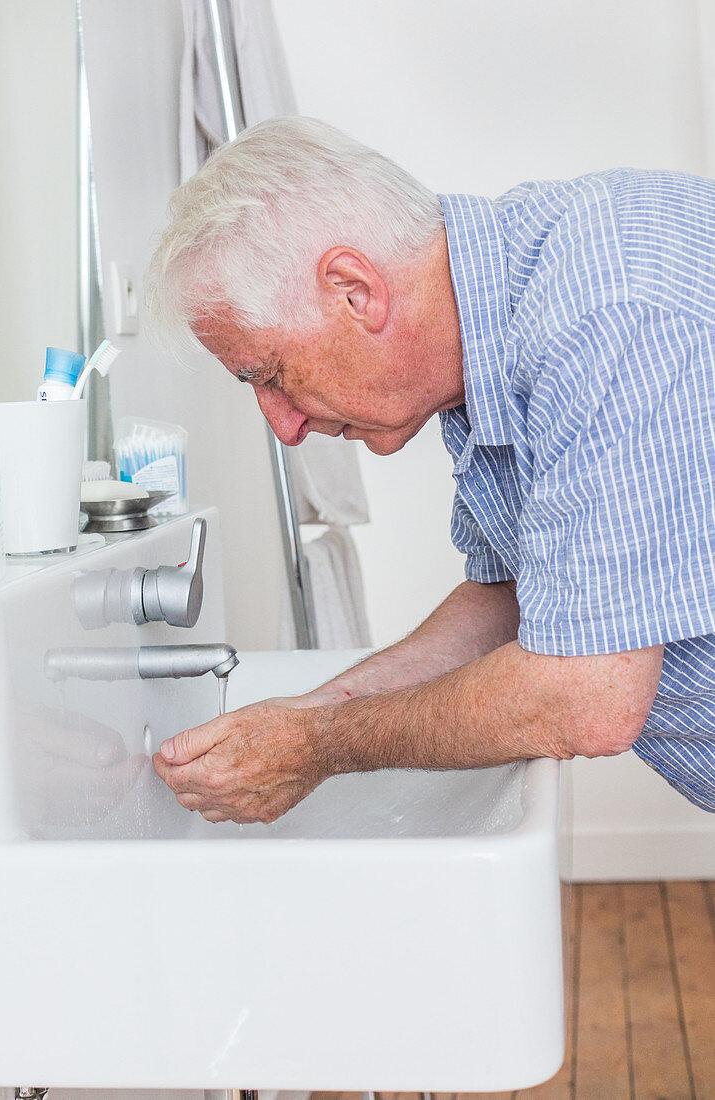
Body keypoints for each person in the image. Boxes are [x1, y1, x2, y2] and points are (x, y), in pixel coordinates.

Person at [145, 116, 715, 824]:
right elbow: (512, 601)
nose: (284, 427)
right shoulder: (490, 344)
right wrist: (311, 711)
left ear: (354, 290)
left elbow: (586, 696)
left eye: (271, 375)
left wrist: (316, 745)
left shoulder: (605, 319)